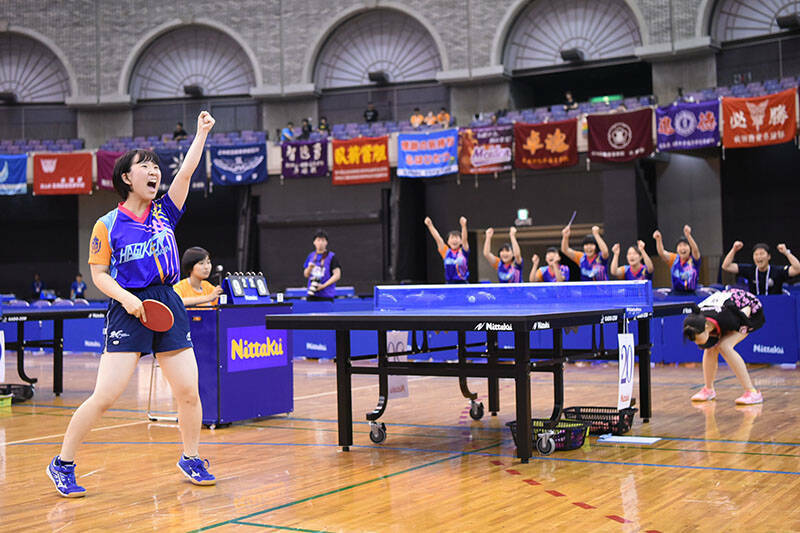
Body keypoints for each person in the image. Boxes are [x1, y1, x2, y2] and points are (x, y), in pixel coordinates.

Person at [46, 111, 217, 498]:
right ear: (127, 177)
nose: (154, 171)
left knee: (189, 391)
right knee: (105, 396)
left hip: (167, 301)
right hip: (128, 307)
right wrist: (127, 299)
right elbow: (99, 274)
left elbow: (187, 173)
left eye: (157, 166)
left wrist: (202, 133)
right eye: (146, 166)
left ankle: (191, 456)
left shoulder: (165, 213)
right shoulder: (107, 224)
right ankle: (63, 463)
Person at [682, 288, 765, 405]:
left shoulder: (728, 317)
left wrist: (740, 324)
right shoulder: (695, 320)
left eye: (697, 338)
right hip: (722, 307)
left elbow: (744, 314)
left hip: (747, 308)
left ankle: (752, 393)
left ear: (706, 328)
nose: (696, 342)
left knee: (725, 346)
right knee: (710, 348)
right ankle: (708, 389)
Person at [721, 241, 800, 295]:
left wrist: (786, 252)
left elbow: (797, 269)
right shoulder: (750, 270)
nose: (759, 257)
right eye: (756, 254)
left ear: (768, 257)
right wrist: (734, 249)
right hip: (755, 307)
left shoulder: (777, 271)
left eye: (762, 254)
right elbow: (726, 266)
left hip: (775, 304)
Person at [654, 225, 701, 292]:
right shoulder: (674, 258)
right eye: (680, 246)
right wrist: (658, 240)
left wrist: (688, 236)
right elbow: (662, 253)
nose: (682, 248)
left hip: (692, 294)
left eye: (685, 245)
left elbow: (695, 250)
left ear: (690, 248)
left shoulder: (694, 260)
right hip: (676, 294)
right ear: (676, 249)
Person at [425, 216, 469, 283]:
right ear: (448, 242)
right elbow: (438, 238)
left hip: (463, 283)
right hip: (449, 284)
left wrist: (463, 226)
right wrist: (430, 225)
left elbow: (465, 239)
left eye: (456, 238)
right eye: (452, 238)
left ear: (460, 241)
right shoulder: (445, 251)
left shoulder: (464, 251)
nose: (454, 240)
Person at [303, 230, 341, 302]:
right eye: (318, 240)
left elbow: (337, 275)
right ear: (314, 242)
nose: (320, 243)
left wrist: (323, 286)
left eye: (323, 240)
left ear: (326, 242)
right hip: (312, 294)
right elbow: (306, 274)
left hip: (326, 295)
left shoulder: (332, 256)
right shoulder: (311, 256)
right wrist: (309, 268)